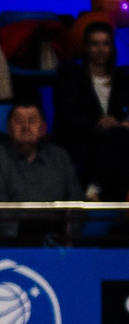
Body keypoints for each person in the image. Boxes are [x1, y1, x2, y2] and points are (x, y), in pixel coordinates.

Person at [0, 102, 84, 243]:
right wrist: (26, 237)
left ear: (43, 128)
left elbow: (76, 202)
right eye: (19, 121)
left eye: (32, 121)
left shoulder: (60, 156)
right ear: (9, 128)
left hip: (57, 241)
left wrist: (66, 235)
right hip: (11, 245)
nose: (25, 126)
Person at [54, 20, 129, 202]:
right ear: (86, 47)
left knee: (119, 138)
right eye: (95, 44)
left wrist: (116, 123)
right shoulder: (69, 76)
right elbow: (66, 113)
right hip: (82, 137)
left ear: (112, 47)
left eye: (105, 44)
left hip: (116, 138)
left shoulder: (123, 78)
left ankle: (96, 188)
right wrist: (99, 125)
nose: (100, 49)